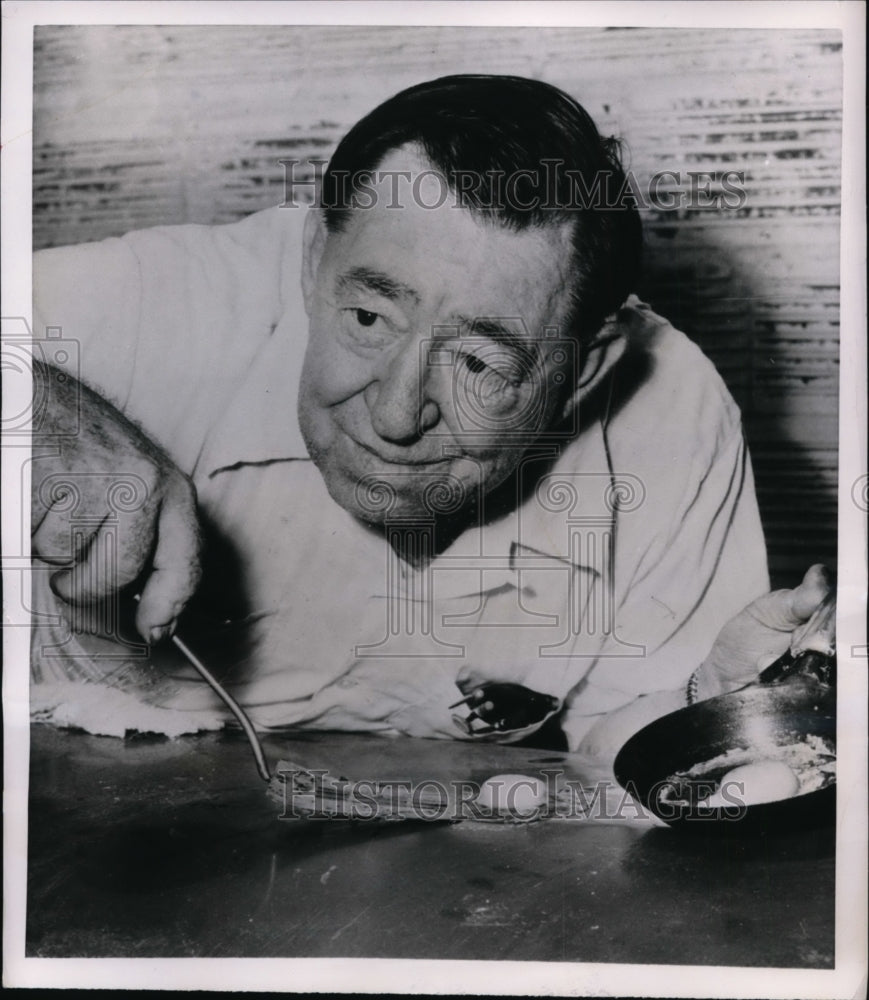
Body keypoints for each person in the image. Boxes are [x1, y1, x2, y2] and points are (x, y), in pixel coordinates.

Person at [29, 75, 831, 759]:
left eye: (479, 363)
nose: (395, 413)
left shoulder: (669, 418)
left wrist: (703, 704)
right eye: (369, 319)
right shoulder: (171, 302)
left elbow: (616, 755)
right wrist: (42, 403)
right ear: (313, 261)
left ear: (585, 370)